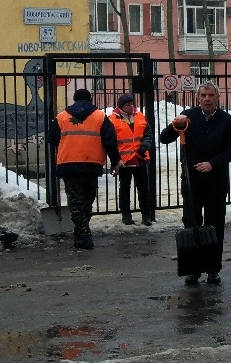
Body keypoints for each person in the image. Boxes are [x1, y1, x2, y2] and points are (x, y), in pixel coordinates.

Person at [159, 82, 231, 285]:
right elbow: (164, 139)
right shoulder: (188, 117)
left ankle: (213, 268)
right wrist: (174, 124)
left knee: (214, 226)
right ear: (198, 97)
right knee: (191, 223)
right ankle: (193, 269)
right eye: (203, 95)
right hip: (192, 181)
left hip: (216, 182)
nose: (207, 99)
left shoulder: (227, 121)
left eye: (211, 95)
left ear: (217, 97)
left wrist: (213, 164)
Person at [46, 88, 119, 249]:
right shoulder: (100, 116)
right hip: (91, 164)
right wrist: (116, 161)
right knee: (87, 201)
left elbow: (51, 139)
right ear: (91, 99)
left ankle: (82, 235)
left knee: (75, 202)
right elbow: (110, 142)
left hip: (68, 164)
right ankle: (83, 236)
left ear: (74, 99)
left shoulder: (62, 116)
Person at [110, 94, 156, 226]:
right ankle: (126, 215)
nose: (131, 107)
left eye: (132, 104)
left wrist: (144, 146)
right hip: (124, 161)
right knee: (125, 189)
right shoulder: (112, 119)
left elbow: (148, 134)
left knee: (143, 189)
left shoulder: (139, 116)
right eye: (128, 105)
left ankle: (146, 215)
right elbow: (111, 141)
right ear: (121, 107)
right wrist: (116, 160)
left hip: (140, 159)